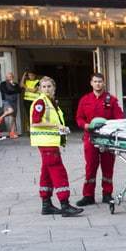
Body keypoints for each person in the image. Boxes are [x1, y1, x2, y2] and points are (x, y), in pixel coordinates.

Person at [30, 76, 83, 218]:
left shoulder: (51, 102)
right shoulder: (41, 102)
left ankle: (46, 204)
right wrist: (56, 126)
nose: (46, 89)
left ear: (54, 88)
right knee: (59, 172)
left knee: (46, 172)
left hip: (50, 142)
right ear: (40, 88)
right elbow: (35, 122)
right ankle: (64, 204)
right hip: (47, 143)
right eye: (44, 87)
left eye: (49, 86)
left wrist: (62, 130)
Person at [75, 73, 124, 206]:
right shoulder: (85, 100)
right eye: (95, 81)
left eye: (100, 81)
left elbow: (120, 118)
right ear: (91, 83)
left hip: (107, 138)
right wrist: (85, 125)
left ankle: (107, 194)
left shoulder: (111, 100)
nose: (98, 84)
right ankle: (88, 195)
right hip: (90, 137)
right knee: (90, 166)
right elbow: (79, 118)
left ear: (104, 83)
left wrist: (110, 127)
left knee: (108, 166)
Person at [0, 72, 21, 139]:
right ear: (6, 77)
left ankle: (12, 133)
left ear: (13, 77)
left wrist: (13, 85)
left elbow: (19, 91)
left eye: (10, 76)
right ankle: (0, 117)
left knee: (13, 118)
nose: (9, 77)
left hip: (14, 101)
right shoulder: (3, 84)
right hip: (6, 101)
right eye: (8, 76)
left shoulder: (15, 84)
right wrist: (14, 89)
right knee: (10, 110)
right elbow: (6, 91)